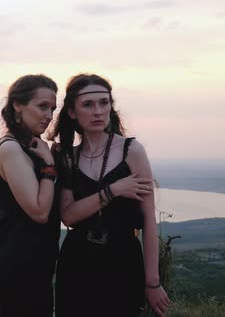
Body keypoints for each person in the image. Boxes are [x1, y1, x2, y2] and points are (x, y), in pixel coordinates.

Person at [49, 73, 171, 316]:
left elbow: (148, 221)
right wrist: (113, 190)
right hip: (77, 261)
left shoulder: (132, 151)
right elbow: (69, 217)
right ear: (72, 112)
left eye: (104, 103)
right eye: (88, 104)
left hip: (123, 260)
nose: (98, 111)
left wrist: (152, 281)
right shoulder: (68, 157)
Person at [0, 74, 62, 317]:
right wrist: (50, 165)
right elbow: (39, 212)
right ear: (18, 105)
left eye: (52, 108)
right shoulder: (11, 149)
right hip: (17, 268)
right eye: (42, 107)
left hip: (35, 266)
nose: (48, 115)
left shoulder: (31, 148)